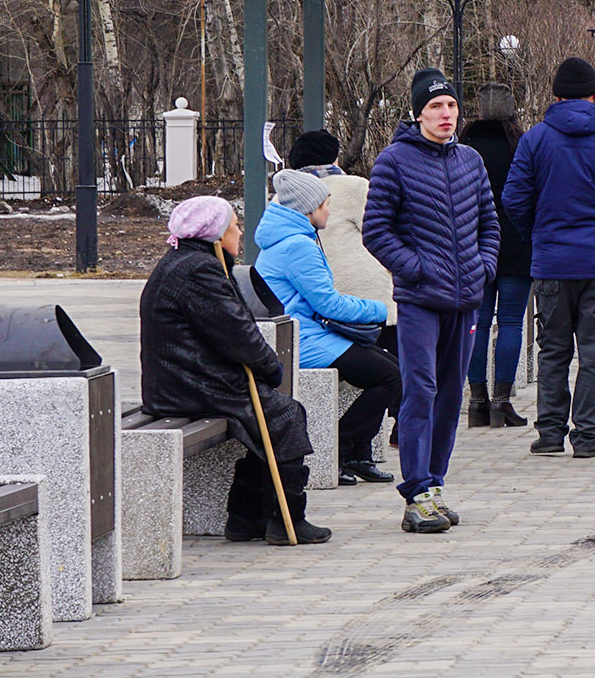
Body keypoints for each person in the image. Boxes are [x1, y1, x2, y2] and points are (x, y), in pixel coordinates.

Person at [139, 196, 330, 545]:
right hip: (189, 386)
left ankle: (246, 518)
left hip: (181, 381)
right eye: (235, 227)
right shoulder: (199, 269)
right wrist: (271, 368)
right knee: (287, 415)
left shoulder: (184, 261)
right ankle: (286, 517)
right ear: (215, 236)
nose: (240, 233)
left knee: (272, 417)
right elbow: (237, 331)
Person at [363, 69, 499, 534]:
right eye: (436, 107)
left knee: (449, 396)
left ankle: (435, 485)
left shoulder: (471, 161)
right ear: (417, 112)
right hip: (420, 299)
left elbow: (489, 224)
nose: (446, 115)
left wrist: (484, 267)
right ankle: (416, 492)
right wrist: (417, 269)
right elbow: (376, 231)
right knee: (419, 391)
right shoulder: (393, 161)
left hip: (465, 301)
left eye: (452, 106)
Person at [504, 56, 595, 460]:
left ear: (555, 96)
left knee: (553, 350)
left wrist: (536, 233)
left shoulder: (534, 140)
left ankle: (550, 434)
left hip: (551, 265)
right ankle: (588, 436)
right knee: (594, 352)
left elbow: (513, 199)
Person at [254, 169, 398, 487]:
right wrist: (380, 308)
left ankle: (357, 454)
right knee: (391, 377)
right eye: (325, 205)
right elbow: (328, 304)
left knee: (389, 368)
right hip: (301, 340)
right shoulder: (297, 246)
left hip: (305, 333)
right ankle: (341, 449)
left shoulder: (291, 239)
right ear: (308, 208)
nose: (329, 212)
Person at [288, 130, 400, 441]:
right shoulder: (355, 187)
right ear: (334, 157)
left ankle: (360, 445)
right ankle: (399, 425)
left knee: (378, 366)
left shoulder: (285, 197)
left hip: (319, 303)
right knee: (397, 364)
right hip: (368, 294)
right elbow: (381, 233)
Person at [459, 83, 531, 429]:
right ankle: (502, 403)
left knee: (478, 323)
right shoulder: (521, 144)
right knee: (512, 322)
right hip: (516, 244)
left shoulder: (463, 147)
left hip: (473, 246)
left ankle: (476, 402)